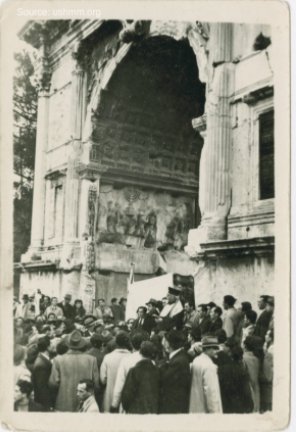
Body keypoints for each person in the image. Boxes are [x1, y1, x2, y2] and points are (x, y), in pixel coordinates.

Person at [49, 330, 100, 412]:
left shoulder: (58, 360)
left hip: (63, 404)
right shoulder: (91, 360)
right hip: (85, 405)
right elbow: (96, 384)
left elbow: (53, 383)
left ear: (68, 344)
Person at [111, 331, 149, 412]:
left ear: (132, 344)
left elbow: (120, 384)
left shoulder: (127, 360)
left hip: (129, 403)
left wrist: (114, 405)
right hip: (146, 404)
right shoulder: (151, 360)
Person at [121, 341, 160, 414]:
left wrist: (127, 407)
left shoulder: (134, 371)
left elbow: (127, 394)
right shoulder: (157, 371)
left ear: (140, 353)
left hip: (136, 410)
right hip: (152, 410)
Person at [159, 330, 191, 413]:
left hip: (174, 407)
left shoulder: (178, 361)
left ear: (169, 344)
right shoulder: (179, 357)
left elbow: (164, 379)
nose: (163, 343)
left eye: (165, 341)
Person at [189, 336, 222, 413]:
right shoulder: (210, 366)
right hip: (206, 412)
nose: (216, 351)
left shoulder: (196, 360)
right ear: (207, 349)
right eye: (214, 348)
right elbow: (211, 394)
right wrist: (215, 414)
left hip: (195, 409)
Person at [100, 331, 131, 412]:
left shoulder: (108, 357)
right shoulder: (132, 357)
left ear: (116, 342)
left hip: (110, 396)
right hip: (127, 399)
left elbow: (103, 380)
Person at [32, 336, 53, 411]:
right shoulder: (41, 364)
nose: (53, 346)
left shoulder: (43, 359)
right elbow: (42, 387)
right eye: (51, 344)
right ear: (48, 347)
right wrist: (48, 405)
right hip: (44, 403)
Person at [243, 335, 263, 412]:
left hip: (248, 389)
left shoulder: (244, 358)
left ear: (245, 346)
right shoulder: (257, 358)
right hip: (256, 388)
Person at [260, 328, 274, 412]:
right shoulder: (267, 345)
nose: (265, 336)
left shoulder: (272, 348)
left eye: (267, 335)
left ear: (271, 337)